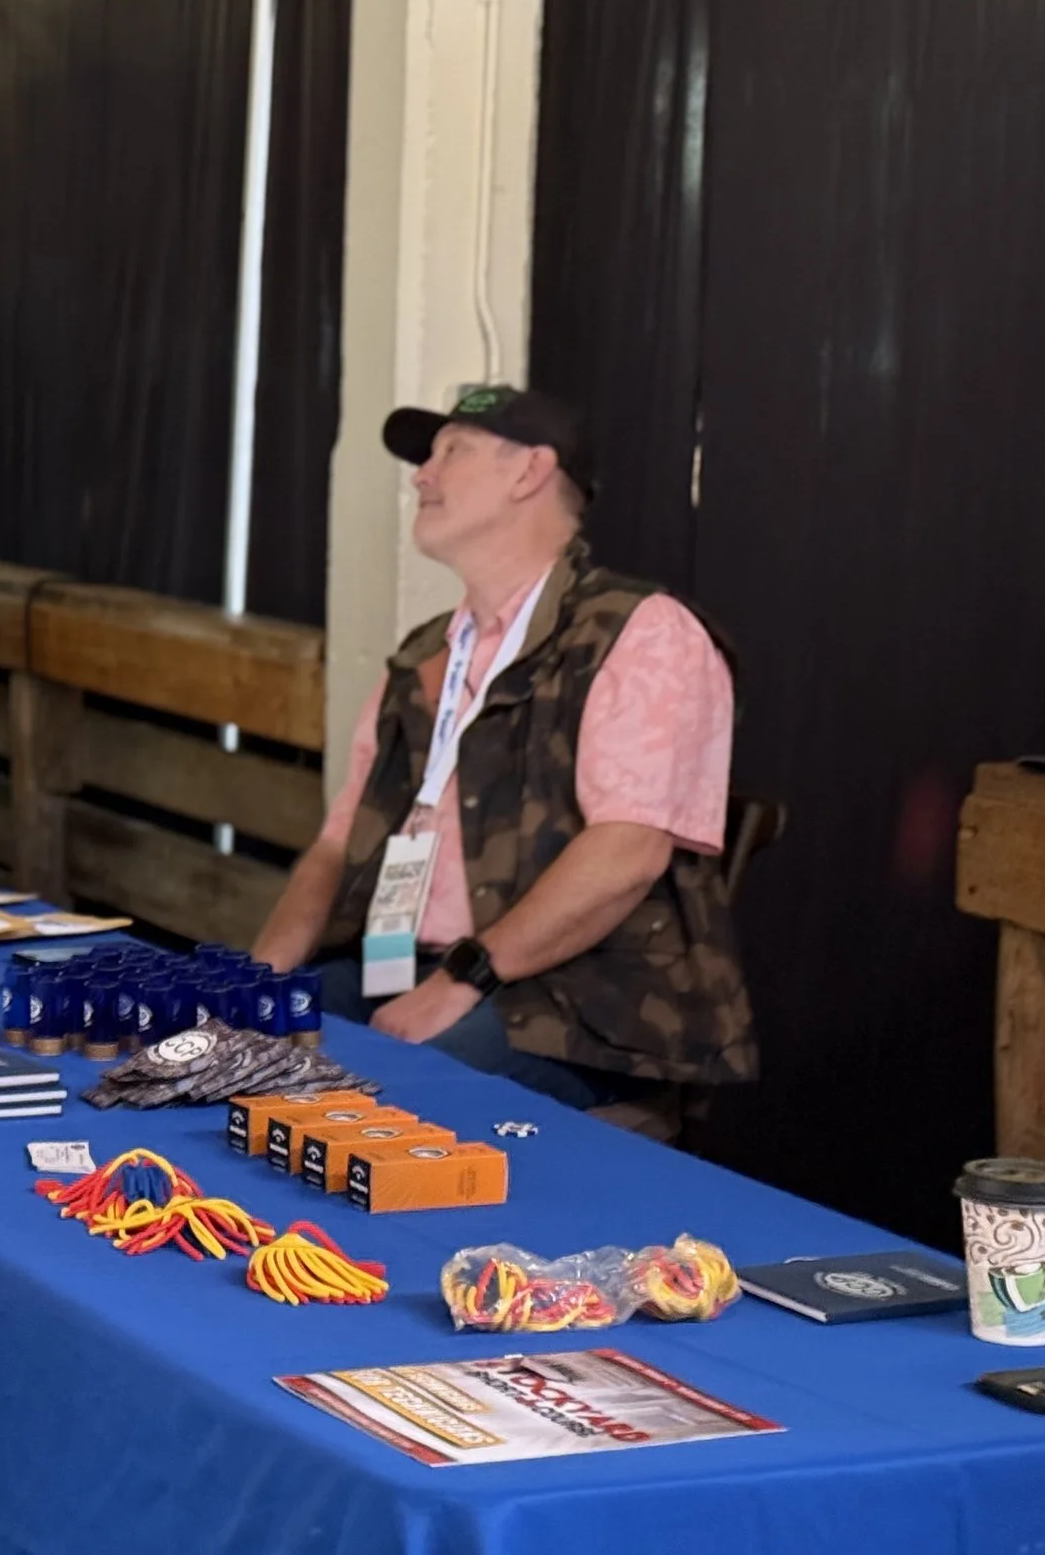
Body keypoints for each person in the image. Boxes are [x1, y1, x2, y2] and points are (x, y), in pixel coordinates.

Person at [250, 386, 757, 1111]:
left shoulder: (641, 630)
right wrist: (254, 982)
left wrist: (462, 981)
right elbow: (336, 848)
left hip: (578, 1003)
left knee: (368, 1100)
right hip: (404, 968)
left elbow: (628, 852)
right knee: (222, 1048)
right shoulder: (423, 655)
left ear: (529, 474)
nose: (423, 474)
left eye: (450, 451)